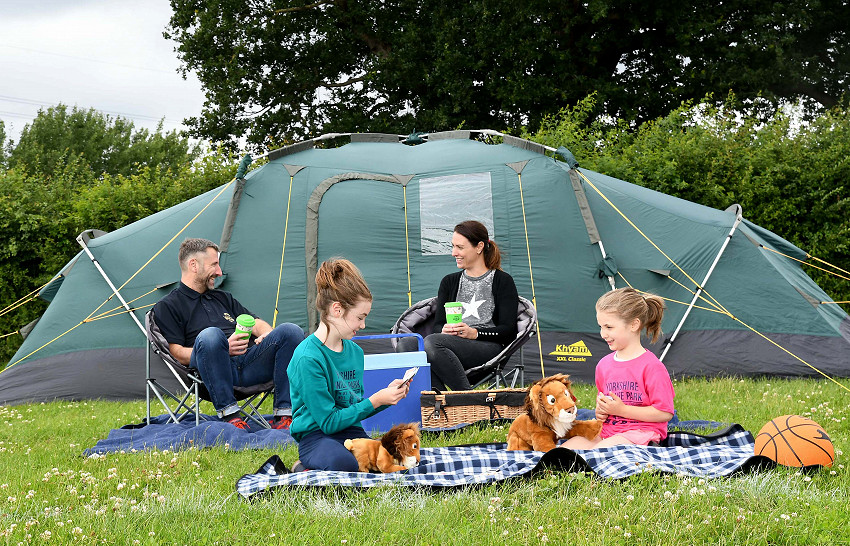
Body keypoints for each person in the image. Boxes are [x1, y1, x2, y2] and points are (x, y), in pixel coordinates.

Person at [152, 238, 305, 430]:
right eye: (214, 264)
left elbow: (255, 322)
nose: (219, 272)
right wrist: (223, 348)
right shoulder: (168, 306)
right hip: (212, 372)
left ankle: (284, 417)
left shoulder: (222, 297)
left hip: (250, 364)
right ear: (193, 265)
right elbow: (175, 352)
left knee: (291, 331)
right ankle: (231, 416)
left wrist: (266, 333)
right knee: (211, 336)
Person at [287, 258, 410, 471]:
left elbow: (353, 407)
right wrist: (375, 401)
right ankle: (304, 466)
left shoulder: (354, 352)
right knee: (344, 464)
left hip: (351, 433)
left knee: (398, 460)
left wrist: (385, 397)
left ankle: (328, 466)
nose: (363, 325)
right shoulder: (308, 358)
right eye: (360, 317)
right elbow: (328, 422)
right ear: (337, 309)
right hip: (316, 437)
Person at [397, 220, 518, 390]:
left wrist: (474, 333)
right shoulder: (449, 282)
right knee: (407, 344)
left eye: (460, 247)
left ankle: (466, 399)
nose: (454, 253)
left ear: (479, 247)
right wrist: (444, 330)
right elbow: (438, 325)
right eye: (453, 246)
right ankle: (437, 402)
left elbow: (508, 330)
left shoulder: (502, 281)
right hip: (448, 344)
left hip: (486, 346)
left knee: (433, 343)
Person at [562, 287, 675, 449]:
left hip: (641, 432)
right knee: (561, 453)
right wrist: (601, 411)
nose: (603, 334)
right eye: (601, 327)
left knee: (600, 454)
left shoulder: (652, 367)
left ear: (634, 325)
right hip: (608, 430)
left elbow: (665, 413)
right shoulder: (604, 365)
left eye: (609, 327)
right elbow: (604, 404)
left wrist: (622, 410)